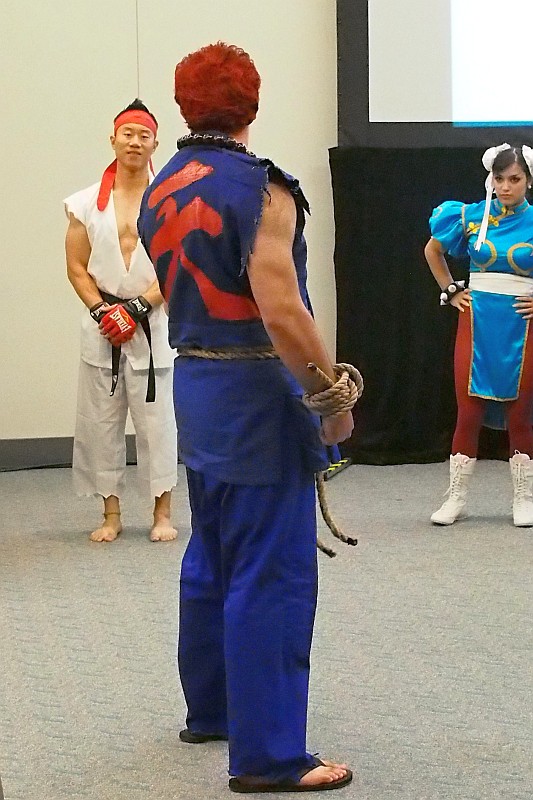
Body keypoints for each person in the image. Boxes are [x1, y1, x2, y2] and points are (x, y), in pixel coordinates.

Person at [138, 43, 358, 793]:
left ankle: (213, 709)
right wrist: (331, 400)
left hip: (197, 385)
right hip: (259, 396)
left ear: (183, 106)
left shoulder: (161, 184)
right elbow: (283, 311)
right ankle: (269, 757)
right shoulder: (264, 188)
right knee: (272, 574)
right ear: (252, 104)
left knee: (213, 554)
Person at [65, 99, 178, 543]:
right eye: (127, 134)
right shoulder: (83, 204)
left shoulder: (170, 202)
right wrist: (104, 311)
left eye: (143, 135)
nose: (134, 142)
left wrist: (137, 309)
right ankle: (110, 513)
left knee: (158, 424)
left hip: (152, 323)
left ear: (155, 144)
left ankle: (162, 513)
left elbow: (177, 265)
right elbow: (77, 267)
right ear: (112, 140)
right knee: (101, 423)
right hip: (103, 326)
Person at [425, 143, 533, 527]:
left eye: (514, 179)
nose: (505, 187)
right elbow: (433, 250)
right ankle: (456, 497)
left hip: (522, 325)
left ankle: (524, 497)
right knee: (468, 410)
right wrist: (451, 289)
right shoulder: (471, 216)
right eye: (499, 179)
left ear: (528, 181)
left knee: (520, 412)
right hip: (476, 321)